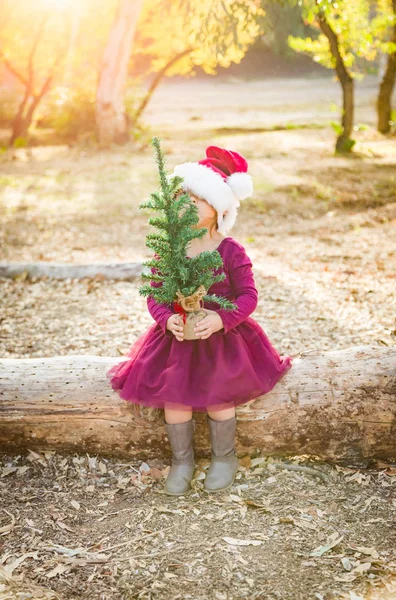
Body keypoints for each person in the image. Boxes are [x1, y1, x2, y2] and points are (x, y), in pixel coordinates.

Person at [106, 145, 293, 497]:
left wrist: (223, 320)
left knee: (219, 398)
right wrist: (166, 321)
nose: (189, 204)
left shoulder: (230, 249)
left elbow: (248, 296)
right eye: (184, 197)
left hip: (223, 339)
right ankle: (182, 461)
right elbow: (156, 294)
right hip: (177, 341)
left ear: (219, 208)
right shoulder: (171, 249)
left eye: (199, 198)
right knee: (175, 401)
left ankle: (225, 458)